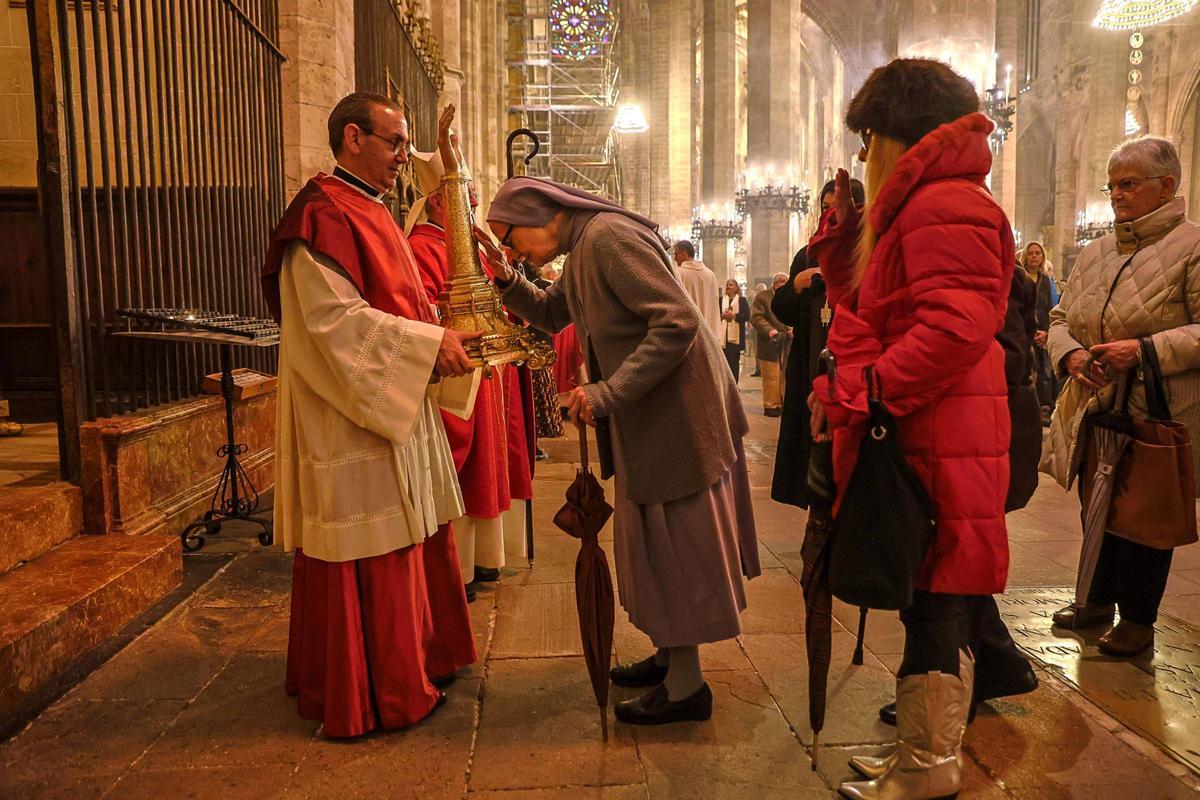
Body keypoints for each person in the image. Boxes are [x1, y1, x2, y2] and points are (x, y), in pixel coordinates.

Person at [479, 176, 760, 726]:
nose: (515, 251)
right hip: (650, 417)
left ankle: (686, 688)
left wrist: (607, 392)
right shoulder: (581, 247)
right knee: (656, 545)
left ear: (540, 214)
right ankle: (670, 658)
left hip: (677, 415)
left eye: (512, 240)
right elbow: (550, 313)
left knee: (677, 547)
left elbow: (676, 321)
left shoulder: (607, 238)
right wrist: (507, 277)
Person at [809, 60, 1013, 799]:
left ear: (898, 134)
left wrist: (863, 390)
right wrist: (840, 242)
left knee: (938, 601)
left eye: (870, 138)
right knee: (928, 592)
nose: (865, 154)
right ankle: (917, 757)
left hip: (940, 432)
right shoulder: (926, 205)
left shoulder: (945, 204)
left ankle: (930, 770)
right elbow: (879, 304)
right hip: (934, 429)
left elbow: (954, 329)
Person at [261, 92, 478, 737]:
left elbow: (401, 300)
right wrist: (426, 345)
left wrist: (440, 334)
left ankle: (418, 661)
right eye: (394, 143)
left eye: (406, 145)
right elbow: (331, 323)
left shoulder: (372, 209)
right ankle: (376, 688)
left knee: (413, 536)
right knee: (372, 545)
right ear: (352, 138)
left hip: (392, 402)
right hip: (348, 412)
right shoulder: (321, 214)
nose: (403, 158)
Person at [1044, 135, 1200, 657]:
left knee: (1145, 514)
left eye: (1127, 184)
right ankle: (1094, 600)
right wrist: (1068, 356)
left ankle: (1138, 619)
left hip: (1159, 409)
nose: (1116, 194)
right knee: (1098, 506)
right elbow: (1061, 318)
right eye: (1111, 185)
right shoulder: (1096, 251)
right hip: (1096, 404)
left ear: (1167, 187)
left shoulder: (1192, 246)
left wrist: (1144, 349)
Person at [406, 113, 522, 595]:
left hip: (485, 371)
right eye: (462, 194)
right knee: (461, 469)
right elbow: (420, 308)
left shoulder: (469, 245)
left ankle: (485, 560)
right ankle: (460, 569)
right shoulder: (419, 246)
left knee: (486, 468)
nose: (472, 201)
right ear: (438, 200)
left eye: (469, 193)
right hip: (457, 371)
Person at [770, 177, 863, 508]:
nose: (830, 214)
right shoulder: (809, 255)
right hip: (810, 366)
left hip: (853, 375)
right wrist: (795, 285)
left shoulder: (868, 253)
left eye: (837, 208)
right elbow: (783, 312)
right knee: (813, 468)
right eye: (825, 208)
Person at [1022, 241, 1059, 424]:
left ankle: (1045, 408)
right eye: (1031, 253)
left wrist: (1046, 332)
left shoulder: (1047, 281)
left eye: (1038, 253)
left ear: (1042, 256)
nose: (1034, 256)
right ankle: (1029, 408)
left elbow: (1052, 308)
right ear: (1025, 257)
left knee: (1045, 370)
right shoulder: (1020, 277)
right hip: (1024, 332)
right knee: (1026, 369)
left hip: (1042, 332)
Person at [750, 273, 789, 416]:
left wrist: (791, 328)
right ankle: (771, 405)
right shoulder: (763, 297)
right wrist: (770, 330)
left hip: (787, 341)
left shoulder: (789, 297)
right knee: (771, 375)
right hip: (769, 342)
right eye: (782, 282)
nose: (784, 284)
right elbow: (756, 318)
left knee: (785, 374)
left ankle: (783, 402)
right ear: (775, 283)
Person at [672, 240, 721, 339]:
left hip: (687, 331)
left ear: (684, 254)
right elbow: (714, 305)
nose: (675, 258)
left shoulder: (678, 273)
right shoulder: (710, 274)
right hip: (708, 331)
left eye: (676, 254)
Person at [719, 279, 751, 382]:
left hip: (735, 339)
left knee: (734, 364)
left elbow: (747, 316)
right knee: (722, 364)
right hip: (722, 338)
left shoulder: (742, 300)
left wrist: (734, 316)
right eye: (727, 285)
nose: (728, 287)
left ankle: (733, 385)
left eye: (731, 285)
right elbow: (714, 314)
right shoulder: (720, 300)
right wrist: (722, 316)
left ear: (736, 288)